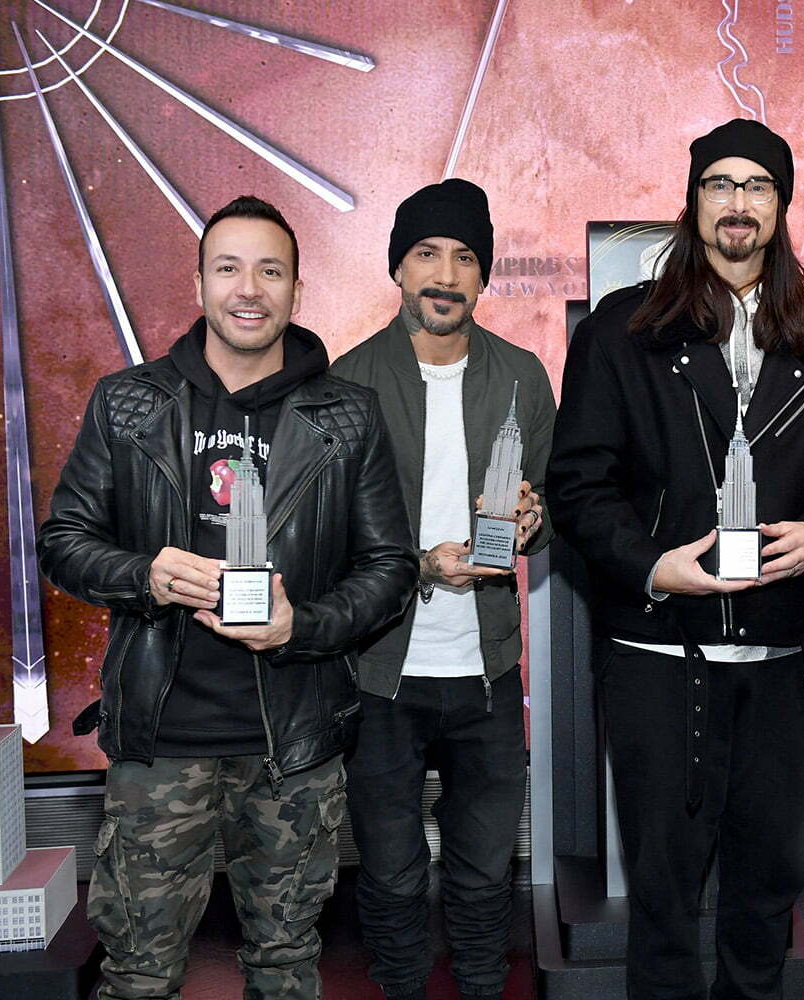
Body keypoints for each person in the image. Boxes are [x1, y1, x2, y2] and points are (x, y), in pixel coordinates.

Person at [37, 195, 418, 999]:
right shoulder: (130, 403)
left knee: (286, 971)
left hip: (293, 747)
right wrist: (145, 575)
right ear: (199, 282)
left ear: (297, 289)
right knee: (138, 976)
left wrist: (298, 627)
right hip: (160, 741)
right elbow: (64, 544)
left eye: (270, 270)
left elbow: (389, 570)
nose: (250, 288)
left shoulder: (345, 415)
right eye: (230, 267)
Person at [547, 118, 804, 1000]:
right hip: (658, 658)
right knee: (661, 900)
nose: (738, 203)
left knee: (767, 897)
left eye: (757, 186)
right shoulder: (623, 334)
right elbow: (577, 488)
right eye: (719, 184)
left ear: (781, 206)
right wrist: (654, 567)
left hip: (776, 662)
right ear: (691, 202)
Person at [330, 178, 554, 1000]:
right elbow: (322, 544)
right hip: (380, 674)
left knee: (485, 873)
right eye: (427, 253)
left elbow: (560, 501)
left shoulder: (523, 377)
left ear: (484, 274)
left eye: (465, 257)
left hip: (488, 673)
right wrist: (422, 564)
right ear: (398, 268)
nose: (446, 274)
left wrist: (535, 517)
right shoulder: (348, 381)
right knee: (389, 878)